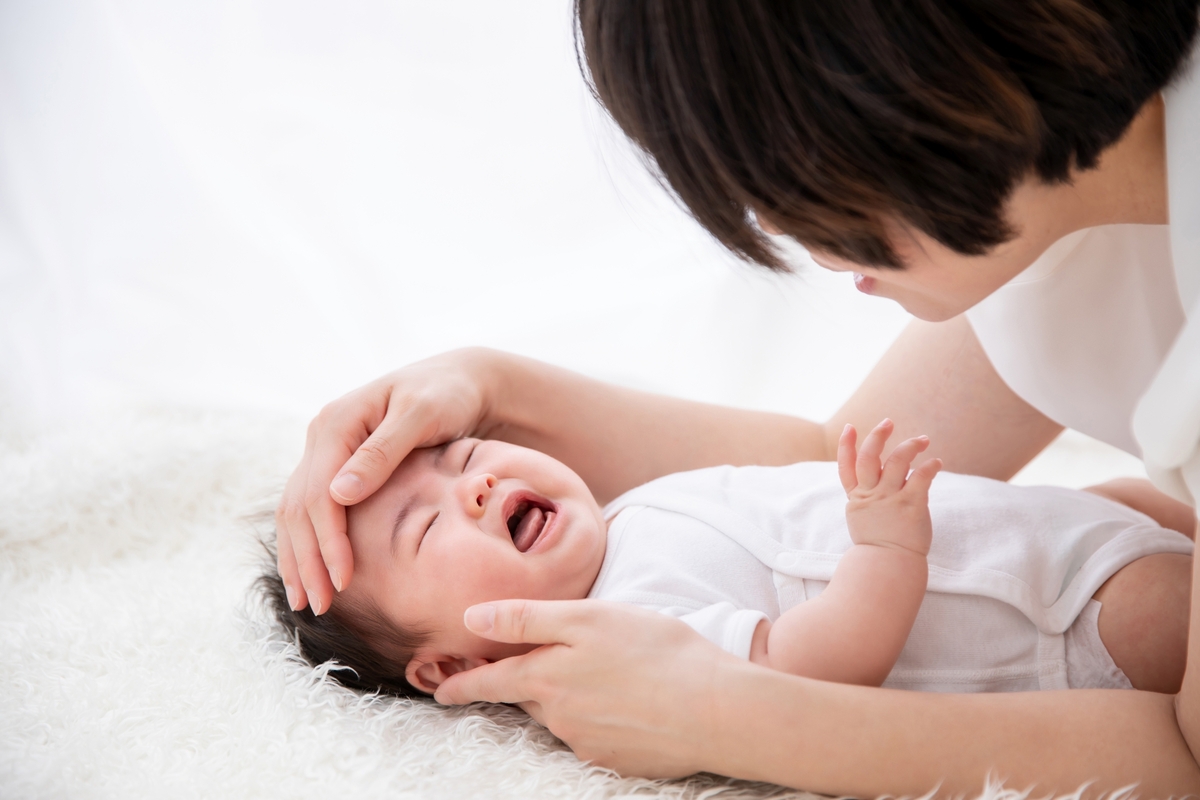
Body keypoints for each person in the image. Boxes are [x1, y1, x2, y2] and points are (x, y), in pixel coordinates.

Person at [274, 1, 1200, 795]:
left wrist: (725, 718)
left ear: (920, 98)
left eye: (785, 188)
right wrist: (489, 387)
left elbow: (1190, 753)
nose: (786, 237)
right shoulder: (1076, 202)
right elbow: (825, 472)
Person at [262, 427, 1193, 698]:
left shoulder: (621, 516)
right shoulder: (623, 627)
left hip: (1049, 533)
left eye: (466, 458)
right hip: (1065, 619)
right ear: (455, 664)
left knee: (1141, 496)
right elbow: (813, 665)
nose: (474, 485)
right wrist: (889, 543)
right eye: (425, 531)